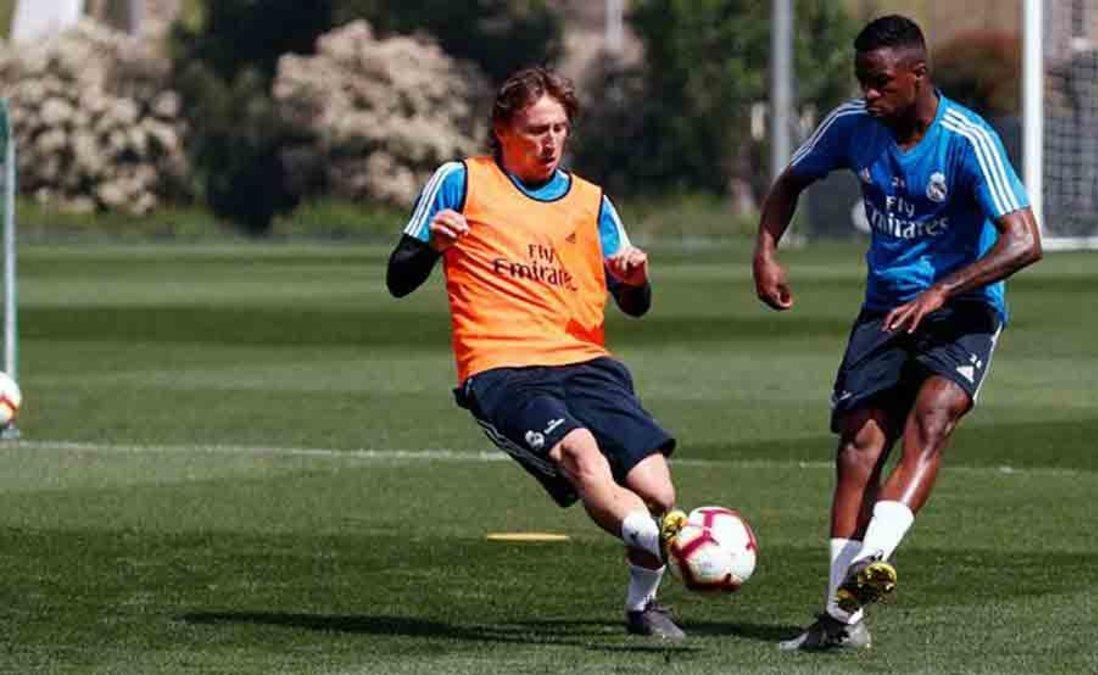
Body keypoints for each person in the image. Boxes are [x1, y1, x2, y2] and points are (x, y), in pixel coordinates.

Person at [754, 16, 1043, 651]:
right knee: (858, 448)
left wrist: (943, 289)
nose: (869, 94)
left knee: (932, 417)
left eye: (881, 82)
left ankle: (870, 561)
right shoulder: (852, 126)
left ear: (918, 76)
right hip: (886, 308)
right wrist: (766, 251)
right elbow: (791, 180)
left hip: (962, 309)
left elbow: (1025, 240)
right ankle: (839, 619)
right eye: (862, 81)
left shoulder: (968, 138)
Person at [386, 67, 688, 640]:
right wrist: (431, 242)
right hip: (502, 368)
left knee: (658, 488)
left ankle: (642, 604)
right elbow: (398, 278)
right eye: (536, 130)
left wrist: (635, 279)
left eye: (560, 129)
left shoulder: (591, 202)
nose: (550, 141)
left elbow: (636, 304)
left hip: (586, 362)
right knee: (582, 458)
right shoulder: (460, 181)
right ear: (502, 129)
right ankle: (671, 544)